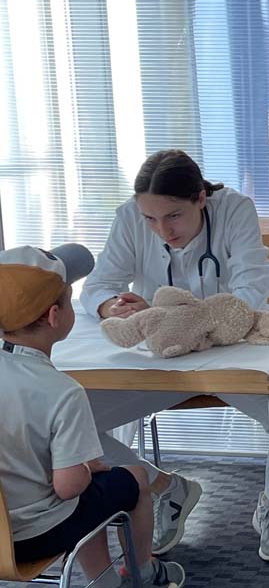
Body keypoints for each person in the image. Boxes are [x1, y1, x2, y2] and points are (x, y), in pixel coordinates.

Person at [81, 150, 269, 561]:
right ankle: (165, 488)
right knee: (74, 422)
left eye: (173, 216)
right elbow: (99, 285)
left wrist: (193, 322)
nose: (162, 230)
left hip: (229, 353)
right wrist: (112, 307)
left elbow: (252, 286)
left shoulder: (234, 210)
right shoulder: (129, 217)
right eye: (150, 219)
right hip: (160, 359)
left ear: (200, 199)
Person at [1, 245, 186, 587]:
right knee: (130, 478)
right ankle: (143, 571)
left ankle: (104, 580)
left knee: (90, 493)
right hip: (32, 536)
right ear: (55, 316)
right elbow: (69, 487)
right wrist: (85, 468)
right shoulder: (63, 391)